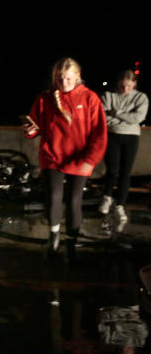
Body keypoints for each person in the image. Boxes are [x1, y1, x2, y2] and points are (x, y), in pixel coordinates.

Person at [24, 58, 107, 259]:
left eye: (68, 79)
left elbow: (99, 132)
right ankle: (53, 237)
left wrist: (91, 158)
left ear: (77, 77)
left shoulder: (90, 98)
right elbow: (34, 127)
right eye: (60, 79)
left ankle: (72, 240)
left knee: (74, 200)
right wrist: (31, 130)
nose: (64, 83)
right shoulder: (44, 99)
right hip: (53, 155)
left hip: (80, 157)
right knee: (53, 196)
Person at [98, 69, 147, 228]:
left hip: (132, 137)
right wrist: (124, 118)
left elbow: (138, 118)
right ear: (117, 83)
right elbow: (102, 116)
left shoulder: (141, 97)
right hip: (112, 135)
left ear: (134, 84)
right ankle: (107, 197)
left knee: (126, 172)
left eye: (128, 86)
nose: (125, 90)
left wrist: (116, 112)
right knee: (112, 170)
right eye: (122, 86)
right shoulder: (108, 95)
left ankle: (120, 205)